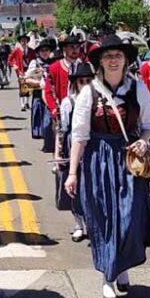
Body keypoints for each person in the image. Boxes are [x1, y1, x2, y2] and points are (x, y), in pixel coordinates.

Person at [64, 35, 150, 298]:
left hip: (129, 161)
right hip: (98, 160)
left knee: (128, 217)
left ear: (126, 60)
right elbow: (79, 135)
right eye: (108, 56)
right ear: (100, 63)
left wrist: (144, 140)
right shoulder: (88, 92)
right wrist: (72, 173)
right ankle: (108, 278)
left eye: (118, 56)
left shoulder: (137, 88)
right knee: (105, 220)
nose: (113, 60)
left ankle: (122, 268)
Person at [55, 60, 95, 243]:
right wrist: (58, 155)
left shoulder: (99, 99)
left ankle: (94, 223)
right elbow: (61, 130)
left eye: (89, 80)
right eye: (82, 81)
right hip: (74, 145)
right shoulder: (68, 102)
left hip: (94, 145)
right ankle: (78, 223)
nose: (85, 84)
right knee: (75, 187)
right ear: (75, 83)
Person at [25, 38, 58, 153]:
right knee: (45, 122)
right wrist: (39, 83)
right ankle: (48, 144)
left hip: (52, 95)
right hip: (39, 94)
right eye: (42, 50)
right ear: (39, 52)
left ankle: (52, 144)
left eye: (47, 50)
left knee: (51, 120)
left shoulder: (54, 62)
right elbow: (26, 79)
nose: (45, 52)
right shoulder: (35, 63)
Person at [10, 34, 35, 111]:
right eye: (22, 41)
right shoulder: (17, 50)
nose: (23, 42)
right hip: (20, 70)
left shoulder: (31, 50)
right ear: (20, 42)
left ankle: (27, 102)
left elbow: (34, 59)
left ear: (27, 41)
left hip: (29, 70)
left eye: (25, 41)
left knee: (29, 86)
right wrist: (14, 65)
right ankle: (22, 104)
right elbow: (10, 59)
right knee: (22, 86)